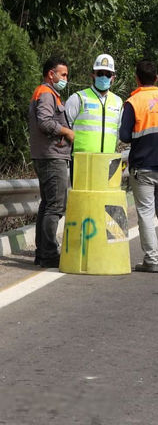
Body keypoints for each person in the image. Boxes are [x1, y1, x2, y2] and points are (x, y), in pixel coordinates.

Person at [119, 60, 158, 273]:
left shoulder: (133, 102)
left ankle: (151, 259)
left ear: (137, 78)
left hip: (143, 166)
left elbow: (124, 136)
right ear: (156, 78)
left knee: (145, 212)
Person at [28, 56, 73, 269]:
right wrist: (67, 132)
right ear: (51, 74)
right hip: (51, 156)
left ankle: (42, 253)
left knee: (47, 205)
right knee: (55, 206)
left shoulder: (48, 93)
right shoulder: (46, 93)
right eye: (63, 74)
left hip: (47, 155)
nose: (65, 78)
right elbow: (45, 122)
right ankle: (48, 253)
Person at [64, 53, 123, 156]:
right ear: (93, 74)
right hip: (81, 161)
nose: (104, 77)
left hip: (107, 161)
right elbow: (64, 127)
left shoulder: (118, 102)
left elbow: (119, 131)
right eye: (100, 73)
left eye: (108, 74)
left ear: (113, 77)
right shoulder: (78, 98)